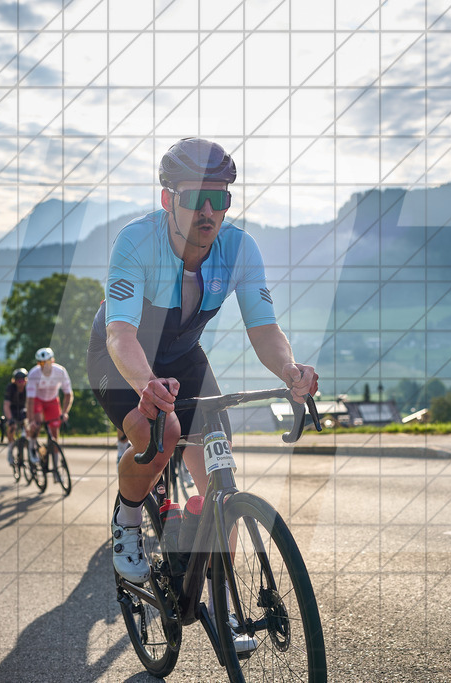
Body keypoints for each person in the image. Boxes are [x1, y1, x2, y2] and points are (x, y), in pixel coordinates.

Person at [86, 137, 318, 652]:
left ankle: (219, 598)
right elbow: (122, 335)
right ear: (168, 199)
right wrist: (145, 384)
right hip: (121, 356)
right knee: (160, 433)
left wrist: (289, 369)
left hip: (183, 359)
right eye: (196, 197)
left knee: (219, 476)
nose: (209, 211)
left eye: (221, 197)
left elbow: (264, 329)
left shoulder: (240, 248)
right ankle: (128, 516)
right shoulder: (135, 241)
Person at [25, 347, 73, 482]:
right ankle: (32, 448)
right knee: (37, 423)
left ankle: (56, 469)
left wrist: (65, 413)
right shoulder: (34, 374)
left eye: (46, 362)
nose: (43, 366)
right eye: (40, 363)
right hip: (38, 401)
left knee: (54, 435)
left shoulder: (60, 371)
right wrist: (30, 420)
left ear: (52, 361)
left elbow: (68, 394)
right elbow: (30, 400)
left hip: (52, 401)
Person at [3, 368, 28, 467]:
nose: (20, 382)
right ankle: (10, 450)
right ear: (14, 380)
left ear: (26, 380)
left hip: (23, 410)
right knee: (11, 428)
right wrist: (10, 420)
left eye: (22, 380)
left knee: (28, 428)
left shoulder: (29, 387)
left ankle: (31, 451)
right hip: (12, 410)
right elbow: (6, 405)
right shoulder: (11, 388)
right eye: (18, 380)